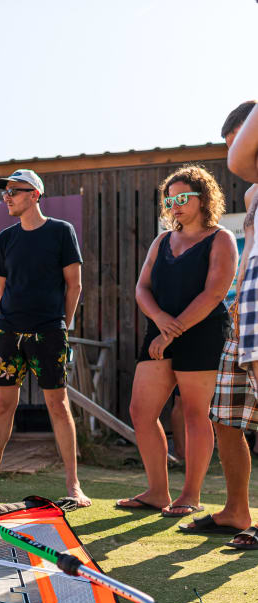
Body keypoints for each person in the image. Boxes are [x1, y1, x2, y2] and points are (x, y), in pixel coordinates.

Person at [0, 169, 90, 507]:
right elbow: (1, 288)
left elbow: (74, 285)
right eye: (4, 192)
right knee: (3, 405)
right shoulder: (5, 238)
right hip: (8, 331)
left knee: (58, 405)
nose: (6, 197)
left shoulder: (62, 231)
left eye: (13, 191)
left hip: (50, 331)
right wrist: (10, 320)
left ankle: (74, 485)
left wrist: (63, 325)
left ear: (34, 195)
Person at [116, 166, 237, 517]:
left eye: (183, 198)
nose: (175, 206)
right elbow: (142, 288)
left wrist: (171, 330)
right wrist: (160, 322)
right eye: (170, 200)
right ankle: (157, 492)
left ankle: (190, 495)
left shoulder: (221, 239)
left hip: (202, 333)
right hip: (160, 330)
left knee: (195, 414)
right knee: (141, 412)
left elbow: (215, 293)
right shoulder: (161, 241)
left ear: (204, 198)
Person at [178, 101, 258, 546]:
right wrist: (238, 298)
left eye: (243, 142)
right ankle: (235, 511)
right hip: (245, 307)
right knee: (226, 416)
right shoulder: (251, 196)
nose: (239, 155)